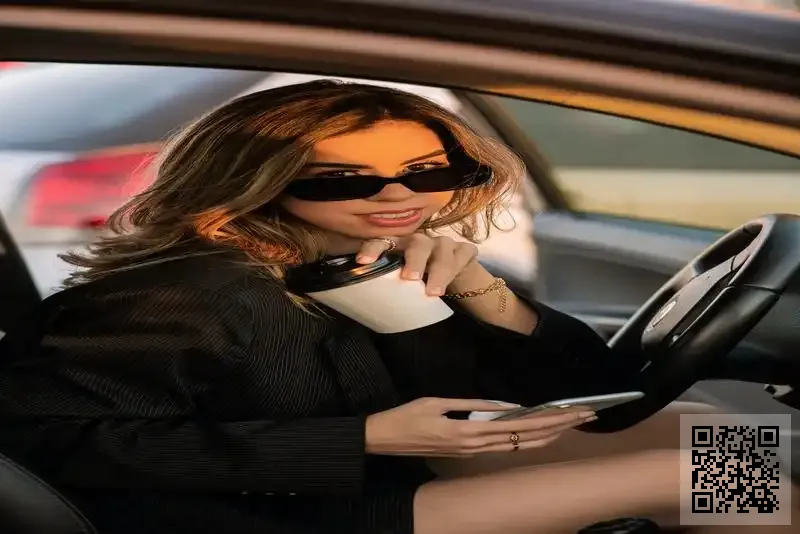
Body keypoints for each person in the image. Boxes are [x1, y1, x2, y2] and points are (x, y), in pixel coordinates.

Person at [0, 80, 792, 534]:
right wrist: (365, 437)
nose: (397, 196)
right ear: (255, 181)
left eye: (427, 173)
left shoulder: (367, 259)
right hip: (287, 515)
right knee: (695, 475)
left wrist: (482, 293)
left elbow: (594, 386)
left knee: (719, 433)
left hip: (382, 470)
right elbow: (48, 443)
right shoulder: (183, 293)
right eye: (344, 181)